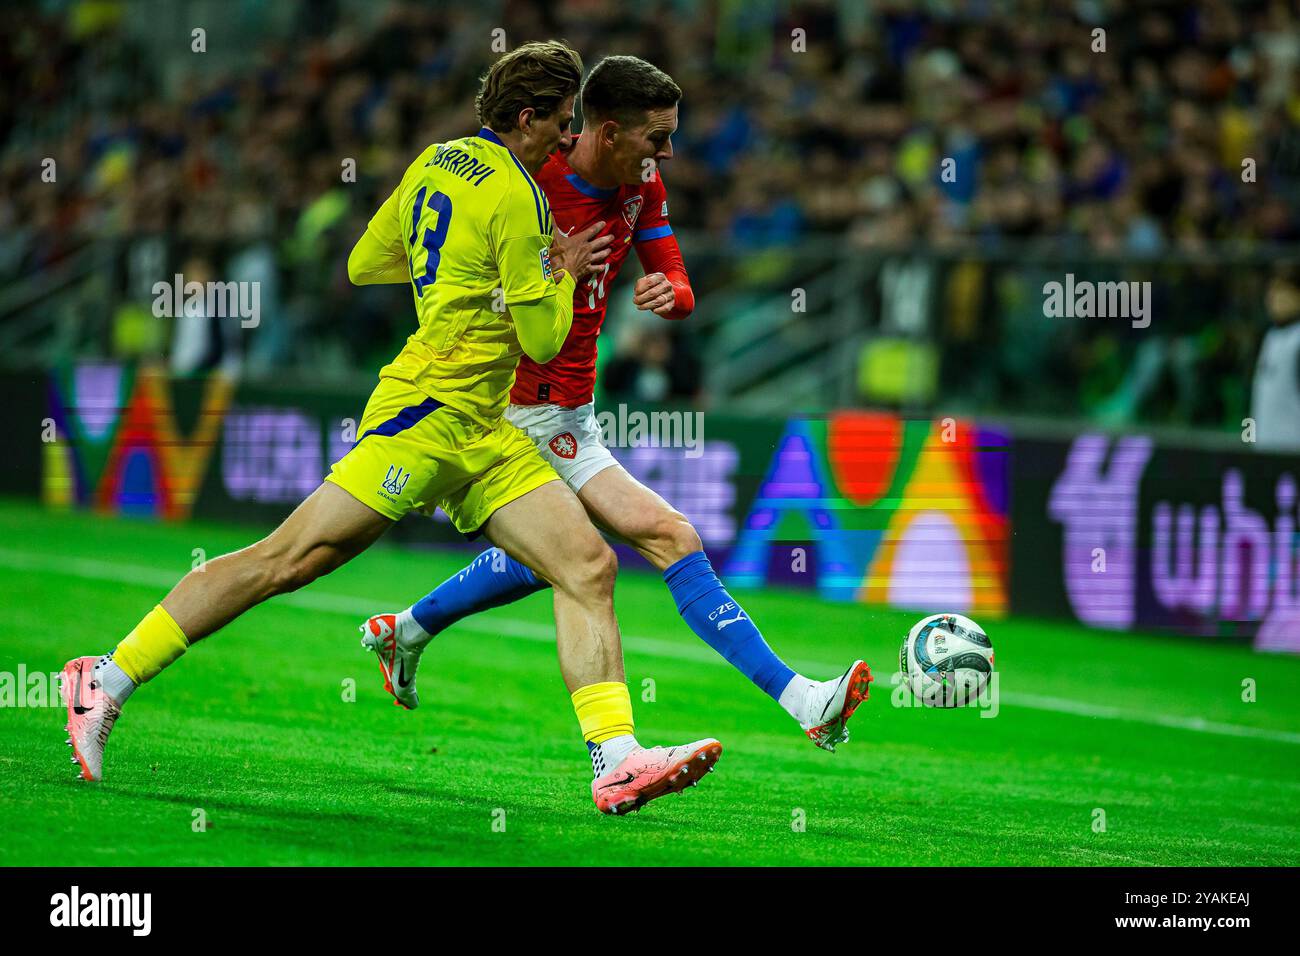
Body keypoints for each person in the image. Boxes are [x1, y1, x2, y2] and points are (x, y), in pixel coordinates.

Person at [61, 41, 722, 816]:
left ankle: (615, 760)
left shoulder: (437, 161)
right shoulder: (520, 196)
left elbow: (366, 265)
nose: (565, 136)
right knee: (289, 559)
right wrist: (560, 269)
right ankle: (102, 678)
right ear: (526, 117)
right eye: (560, 120)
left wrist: (462, 283)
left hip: (483, 425)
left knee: (586, 565)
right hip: (427, 416)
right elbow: (545, 340)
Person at [359, 55, 873, 752]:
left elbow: (671, 266)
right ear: (606, 132)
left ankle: (408, 629)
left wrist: (676, 294)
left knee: (561, 558)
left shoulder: (642, 185)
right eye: (656, 138)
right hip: (507, 410)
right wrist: (546, 273)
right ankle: (792, 703)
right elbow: (460, 277)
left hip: (573, 413)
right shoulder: (529, 179)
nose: (666, 154)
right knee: (659, 541)